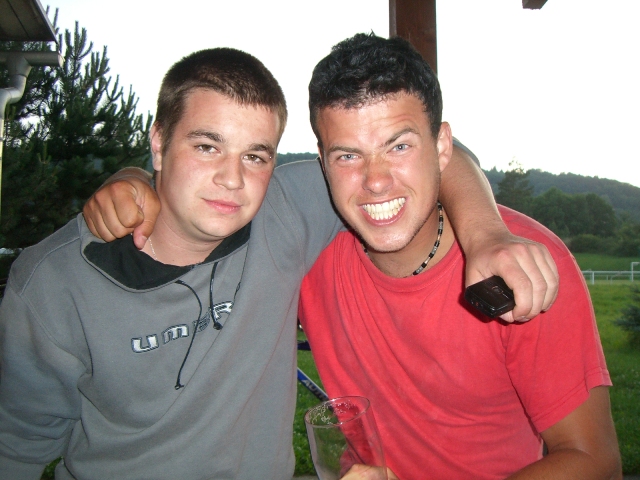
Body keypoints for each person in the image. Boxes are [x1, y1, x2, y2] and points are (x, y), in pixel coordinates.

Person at [0, 48, 556, 480]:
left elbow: (431, 156)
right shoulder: (52, 283)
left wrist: (485, 235)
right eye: (207, 146)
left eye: (256, 155)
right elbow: (14, 449)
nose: (232, 178)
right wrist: (129, 176)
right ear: (159, 142)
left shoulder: (285, 214)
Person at [297, 33, 621, 479]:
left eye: (399, 146)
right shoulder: (305, 258)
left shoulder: (522, 264)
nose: (376, 180)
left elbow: (594, 461)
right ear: (322, 161)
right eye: (348, 155)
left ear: (443, 146)